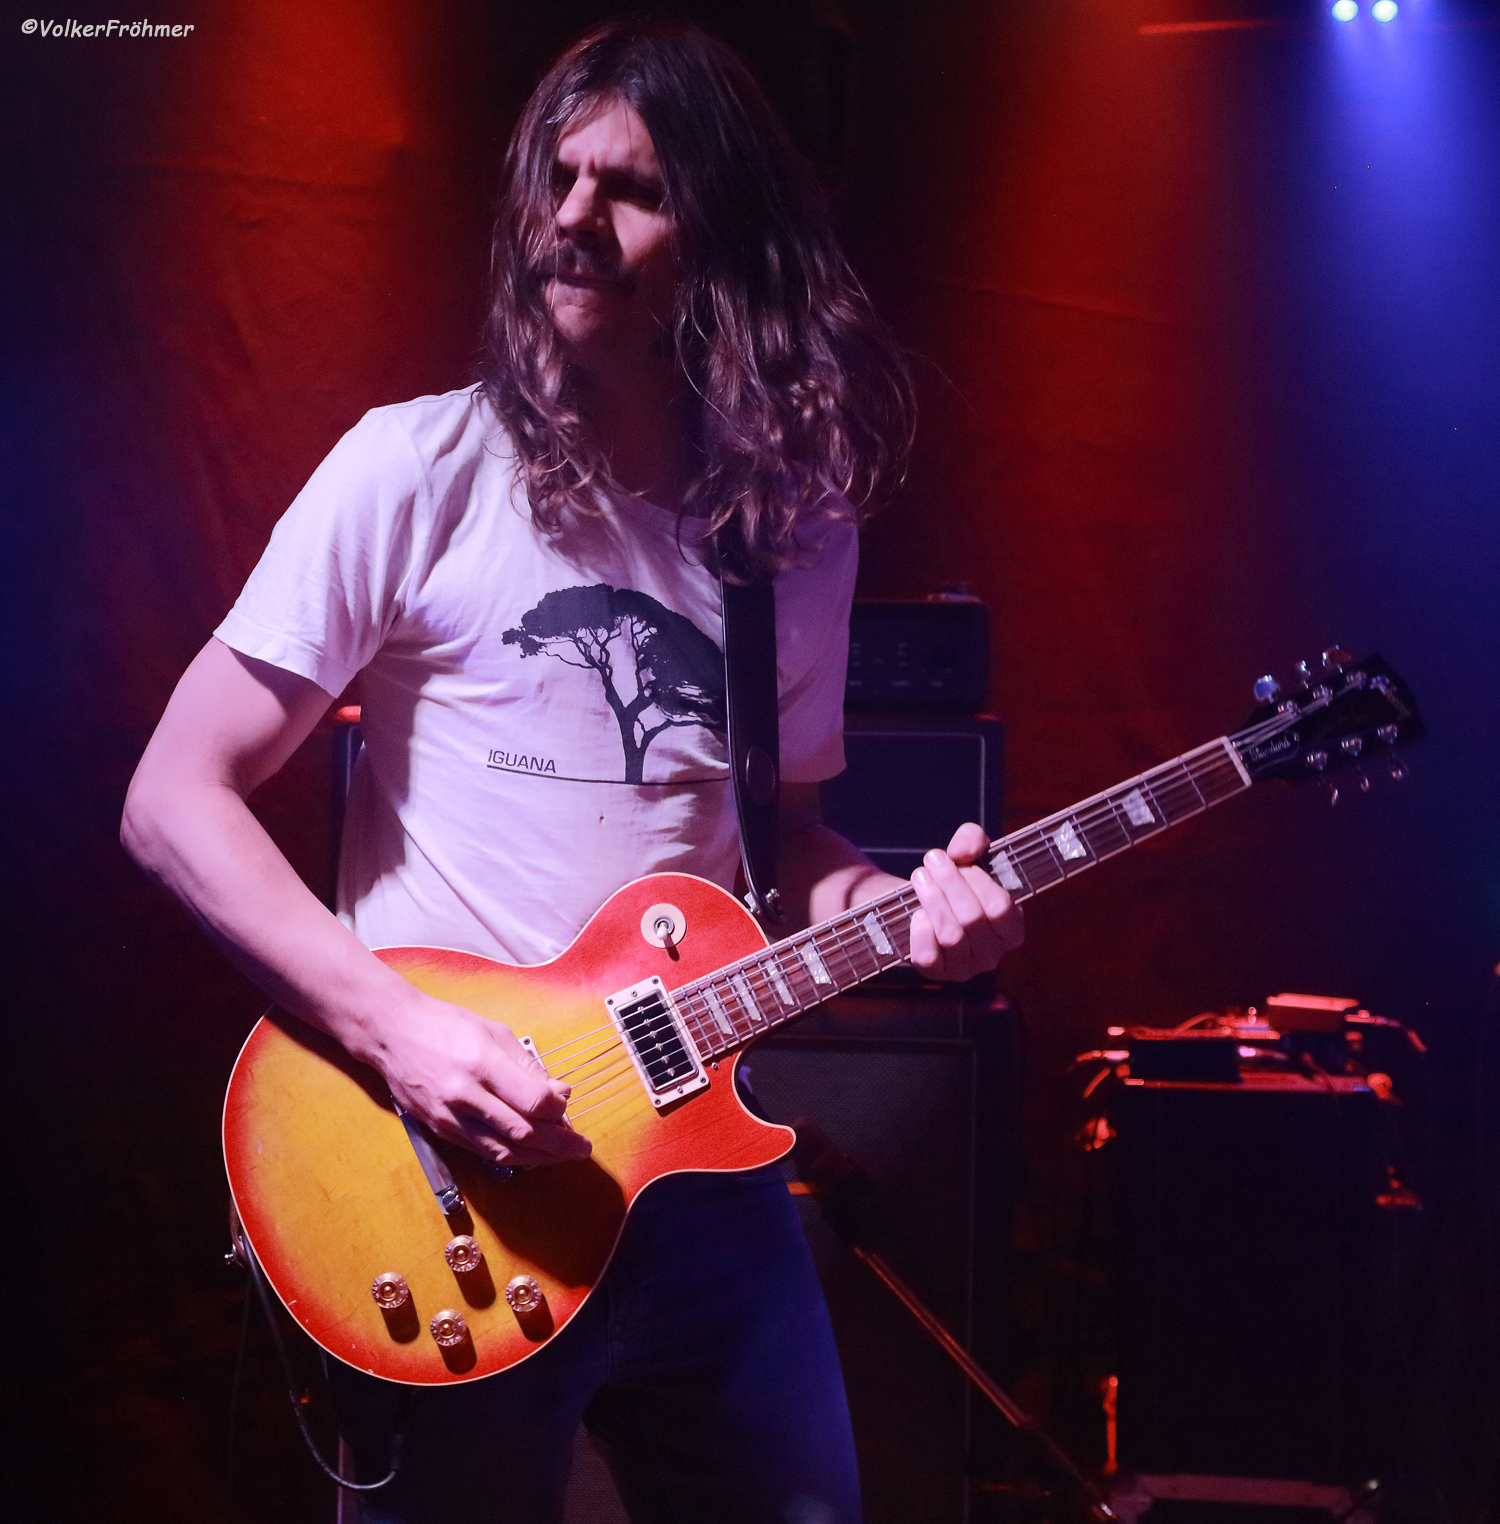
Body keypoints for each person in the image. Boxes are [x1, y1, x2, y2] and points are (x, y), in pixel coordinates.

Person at [122, 18, 1022, 1523]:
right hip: (444, 1172)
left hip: (701, 1176)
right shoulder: (414, 470)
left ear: (727, 243)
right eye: (558, 177)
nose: (573, 219)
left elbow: (785, 835)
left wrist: (897, 909)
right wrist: (398, 1034)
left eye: (634, 190)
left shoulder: (789, 528)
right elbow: (172, 798)